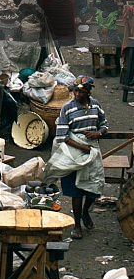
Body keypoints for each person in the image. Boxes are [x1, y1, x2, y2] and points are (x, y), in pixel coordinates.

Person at [46, 75, 107, 240]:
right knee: (76, 190)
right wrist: (82, 147)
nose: (77, 94)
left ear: (88, 91)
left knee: (94, 186)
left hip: (92, 149)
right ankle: (77, 224)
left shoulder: (95, 105)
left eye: (81, 91)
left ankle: (86, 211)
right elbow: (62, 136)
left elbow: (104, 124)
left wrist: (98, 132)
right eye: (76, 90)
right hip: (73, 150)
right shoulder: (67, 108)